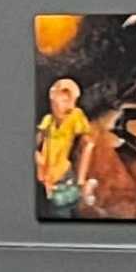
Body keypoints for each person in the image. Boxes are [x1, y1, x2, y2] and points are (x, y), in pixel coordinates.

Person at [33, 74, 96, 218]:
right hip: (49, 180)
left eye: (73, 101)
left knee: (70, 211)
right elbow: (35, 145)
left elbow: (89, 144)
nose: (70, 105)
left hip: (65, 174)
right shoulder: (48, 120)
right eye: (65, 99)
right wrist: (39, 163)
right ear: (53, 98)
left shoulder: (75, 116)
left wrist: (81, 179)